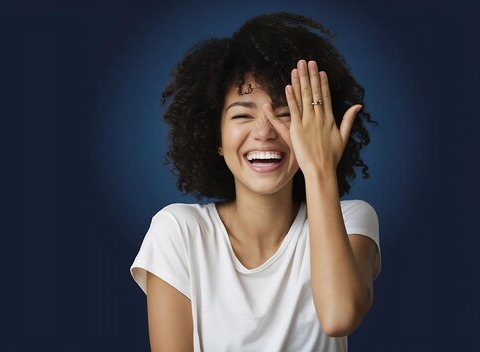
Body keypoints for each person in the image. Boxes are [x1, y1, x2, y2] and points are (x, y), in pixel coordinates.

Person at [130, 12, 381, 352]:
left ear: (316, 128)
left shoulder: (352, 220)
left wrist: (320, 168)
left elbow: (339, 317)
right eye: (242, 114)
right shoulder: (177, 231)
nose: (264, 132)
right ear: (214, 136)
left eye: (285, 114)